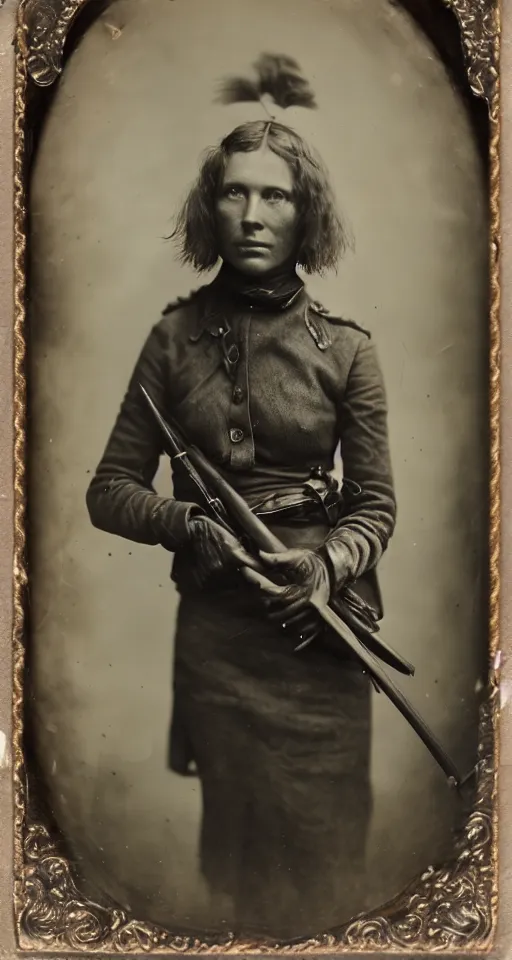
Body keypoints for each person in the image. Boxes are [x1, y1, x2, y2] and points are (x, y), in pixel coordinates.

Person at [86, 118, 397, 938]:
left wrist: (328, 567)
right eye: (235, 191)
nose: (254, 214)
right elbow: (109, 490)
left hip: (323, 644)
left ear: (306, 215)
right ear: (211, 208)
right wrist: (186, 521)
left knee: (328, 876)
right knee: (238, 874)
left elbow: (375, 506)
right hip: (220, 648)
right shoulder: (170, 341)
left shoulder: (349, 353)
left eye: (276, 195)